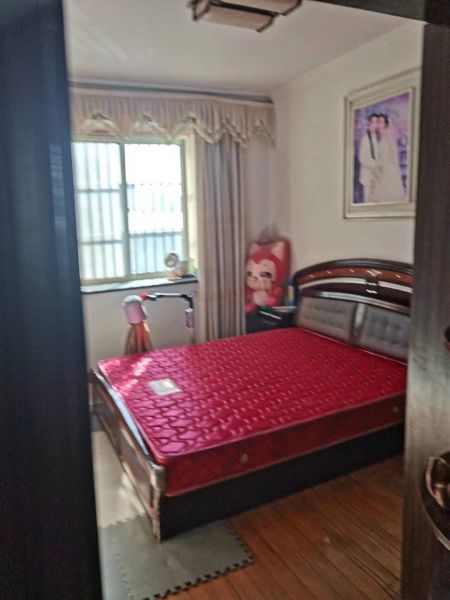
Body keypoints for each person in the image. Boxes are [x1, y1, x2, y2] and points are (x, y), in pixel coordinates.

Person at [372, 114, 406, 204]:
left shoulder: (388, 136)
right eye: (378, 122)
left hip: (388, 167)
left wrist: (392, 166)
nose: (379, 124)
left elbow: (393, 153)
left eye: (381, 122)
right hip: (381, 166)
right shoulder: (379, 137)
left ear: (385, 124)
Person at [358, 113, 380, 203]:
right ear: (369, 124)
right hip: (367, 175)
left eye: (376, 122)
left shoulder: (377, 137)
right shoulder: (365, 139)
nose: (375, 125)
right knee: (367, 199)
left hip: (376, 175)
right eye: (373, 122)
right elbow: (361, 158)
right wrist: (374, 165)